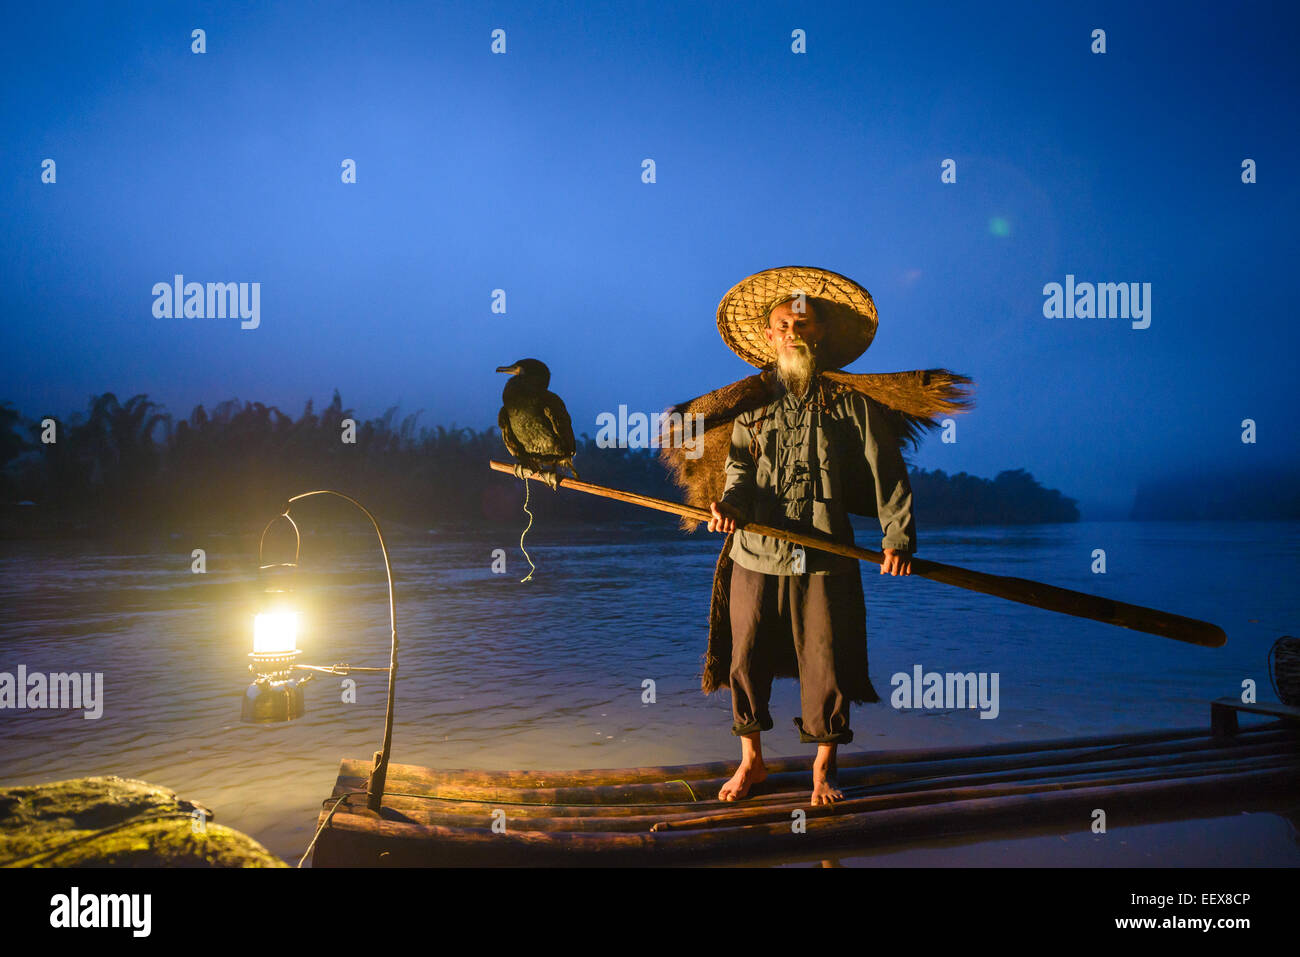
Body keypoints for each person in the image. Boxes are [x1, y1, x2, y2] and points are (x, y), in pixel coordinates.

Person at [706, 294, 916, 806]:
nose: (793, 331)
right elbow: (737, 472)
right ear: (771, 337)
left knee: (826, 659)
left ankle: (823, 769)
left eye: (802, 323)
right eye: (783, 324)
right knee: (746, 655)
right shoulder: (749, 405)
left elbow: (886, 471)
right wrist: (729, 505)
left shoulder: (850, 403)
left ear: (818, 334)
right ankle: (751, 762)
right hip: (754, 551)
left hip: (823, 553)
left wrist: (898, 536)